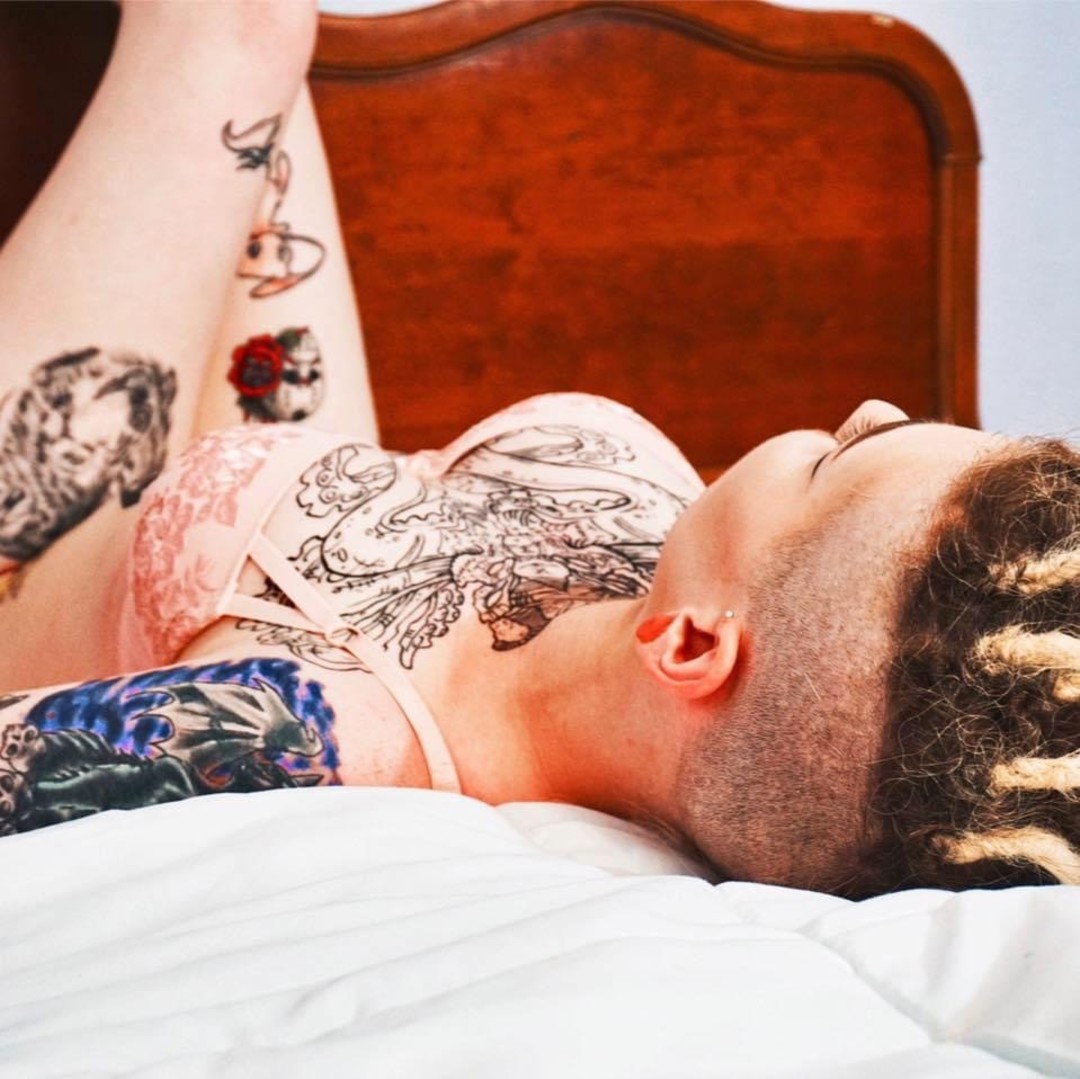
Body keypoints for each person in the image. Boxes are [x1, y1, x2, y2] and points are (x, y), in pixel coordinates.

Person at [0, 2, 1077, 898]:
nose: (874, 403)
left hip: (36, 530)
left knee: (239, 22)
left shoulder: (314, 727)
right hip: (273, 468)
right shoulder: (724, 591)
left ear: (692, 644)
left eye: (832, 460)